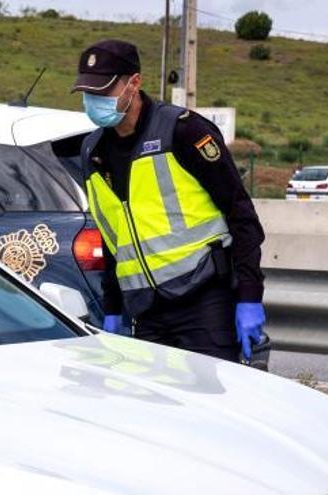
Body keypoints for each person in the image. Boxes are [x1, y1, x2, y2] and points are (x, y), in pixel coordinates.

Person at [73, 39, 266, 363]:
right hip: (147, 314)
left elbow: (240, 213)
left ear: (134, 83)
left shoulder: (183, 131)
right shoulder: (94, 153)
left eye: (103, 91)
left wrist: (249, 296)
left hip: (205, 303)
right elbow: (113, 240)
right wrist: (114, 309)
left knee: (212, 407)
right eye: (87, 93)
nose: (93, 101)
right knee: (158, 412)